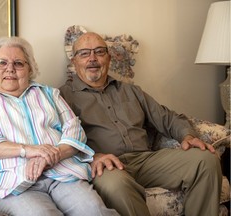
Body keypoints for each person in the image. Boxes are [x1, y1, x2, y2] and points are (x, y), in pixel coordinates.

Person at [0, 36, 119, 216]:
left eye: (18, 63)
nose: (10, 68)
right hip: (11, 184)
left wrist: (49, 157)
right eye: (2, 63)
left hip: (61, 174)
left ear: (30, 68)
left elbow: (74, 130)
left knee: (94, 211)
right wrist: (28, 150)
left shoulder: (48, 93)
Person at [59, 32, 223, 216]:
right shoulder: (62, 97)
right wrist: (93, 157)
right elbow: (58, 141)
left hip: (145, 160)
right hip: (105, 166)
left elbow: (166, 117)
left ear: (109, 58)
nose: (92, 59)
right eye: (84, 54)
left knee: (206, 160)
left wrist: (188, 136)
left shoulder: (131, 91)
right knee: (116, 186)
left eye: (99, 52)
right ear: (74, 62)